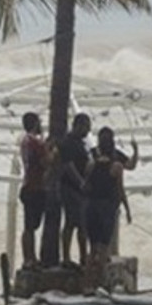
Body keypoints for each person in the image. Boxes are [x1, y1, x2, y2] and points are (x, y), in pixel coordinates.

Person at [83, 127, 139, 271]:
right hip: (107, 208)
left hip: (91, 206)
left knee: (93, 248)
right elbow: (120, 189)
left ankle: (88, 284)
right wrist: (127, 210)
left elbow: (85, 185)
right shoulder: (117, 165)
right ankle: (101, 281)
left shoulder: (91, 161)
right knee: (104, 248)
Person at [58, 112, 92, 267]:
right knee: (72, 223)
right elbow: (68, 166)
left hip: (78, 188)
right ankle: (66, 257)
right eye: (86, 127)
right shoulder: (69, 142)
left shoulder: (79, 142)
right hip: (70, 188)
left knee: (81, 223)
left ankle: (83, 256)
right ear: (78, 126)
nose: (88, 132)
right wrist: (80, 182)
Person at [17, 111, 48, 269]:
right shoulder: (35, 143)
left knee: (29, 226)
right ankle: (30, 258)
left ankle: (29, 257)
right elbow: (45, 161)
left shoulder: (25, 141)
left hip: (28, 186)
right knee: (31, 226)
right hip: (35, 188)